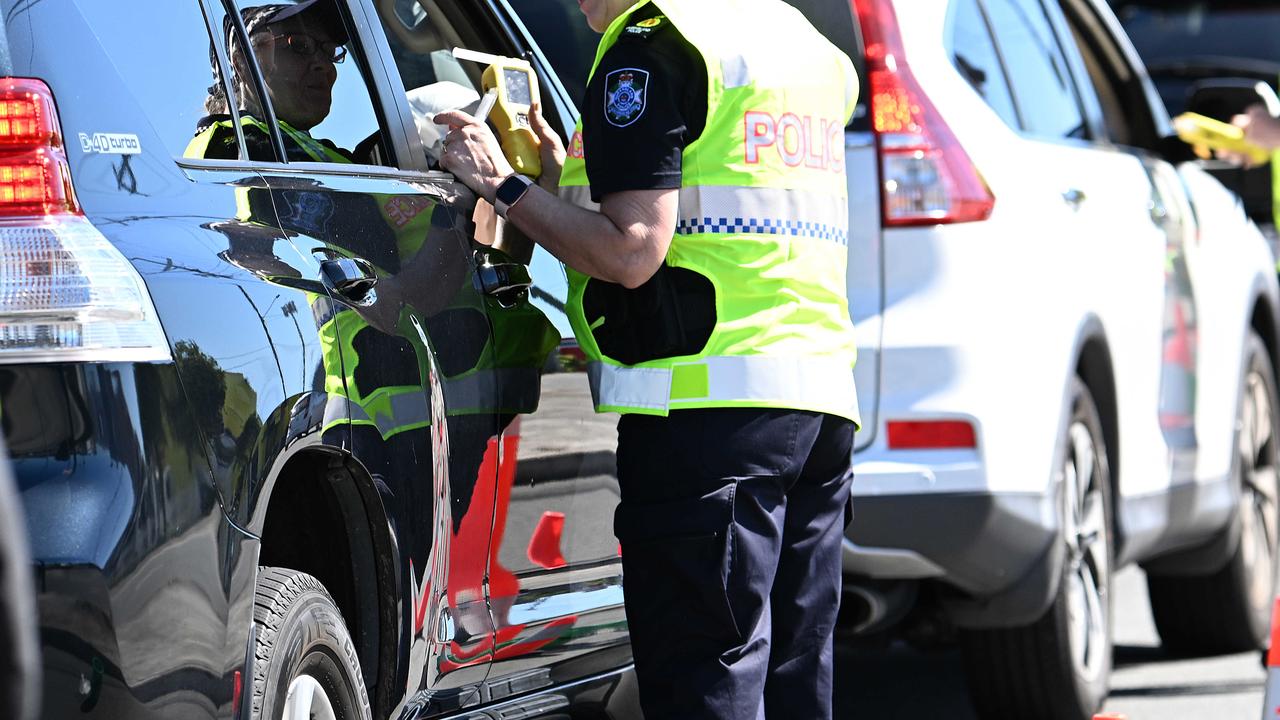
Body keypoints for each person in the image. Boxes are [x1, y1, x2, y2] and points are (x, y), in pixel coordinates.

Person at [435, 1, 860, 718]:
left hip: (708, 414)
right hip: (816, 401)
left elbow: (631, 250)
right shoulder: (796, 37)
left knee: (707, 680)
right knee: (792, 676)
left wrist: (502, 185)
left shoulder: (654, 40)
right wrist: (571, 166)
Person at [187, 0, 353, 162]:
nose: (325, 65)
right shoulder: (239, 145)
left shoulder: (294, 147)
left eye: (330, 53)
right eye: (299, 44)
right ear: (243, 63)